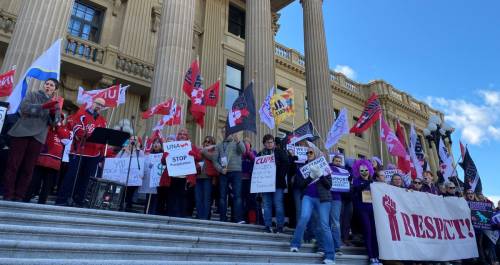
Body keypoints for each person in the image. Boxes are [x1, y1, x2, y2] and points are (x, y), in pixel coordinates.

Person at [3, 78, 60, 201]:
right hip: (22, 132)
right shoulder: (32, 95)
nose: (48, 86)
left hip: (38, 136)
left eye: (51, 85)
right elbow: (24, 108)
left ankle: (19, 195)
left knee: (28, 168)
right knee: (13, 164)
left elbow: (55, 123)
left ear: (55, 89)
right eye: (47, 84)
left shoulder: (56, 104)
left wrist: (53, 113)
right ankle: (8, 193)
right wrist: (43, 106)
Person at [55, 98, 107, 206]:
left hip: (94, 155)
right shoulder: (81, 114)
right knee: (71, 176)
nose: (99, 106)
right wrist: (91, 135)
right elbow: (78, 131)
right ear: (93, 103)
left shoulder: (103, 121)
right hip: (79, 152)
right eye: (98, 104)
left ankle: (79, 200)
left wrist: (101, 156)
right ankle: (62, 200)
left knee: (86, 180)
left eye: (101, 105)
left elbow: (103, 139)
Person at [290, 145, 335, 265]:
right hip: (308, 197)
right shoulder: (303, 168)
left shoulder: (324, 166)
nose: (308, 155)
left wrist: (320, 175)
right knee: (304, 217)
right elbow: (299, 185)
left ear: (315, 153)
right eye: (307, 153)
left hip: (323, 199)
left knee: (324, 225)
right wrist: (310, 177)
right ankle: (295, 244)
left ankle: (330, 255)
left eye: (310, 153)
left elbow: (329, 186)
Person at [24, 114, 70, 204]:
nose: (57, 119)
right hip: (41, 159)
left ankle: (42, 203)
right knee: (33, 181)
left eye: (59, 118)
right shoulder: (46, 126)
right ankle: (26, 199)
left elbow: (65, 140)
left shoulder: (64, 129)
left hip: (54, 162)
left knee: (47, 185)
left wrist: (58, 126)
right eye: (55, 117)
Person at [159, 128, 200, 217]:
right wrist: (165, 156)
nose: (182, 135)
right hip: (172, 176)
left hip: (185, 177)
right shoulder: (171, 146)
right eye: (180, 134)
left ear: (187, 136)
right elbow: (162, 162)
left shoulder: (192, 146)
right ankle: (171, 215)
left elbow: (199, 158)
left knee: (183, 197)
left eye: (184, 134)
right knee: (171, 196)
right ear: (178, 135)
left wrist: (194, 154)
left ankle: (181, 216)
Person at [212, 127, 245, 223]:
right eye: (223, 132)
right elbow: (214, 160)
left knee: (237, 196)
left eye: (227, 132)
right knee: (222, 196)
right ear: (222, 134)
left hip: (236, 172)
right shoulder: (218, 145)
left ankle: (237, 218)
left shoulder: (237, 142)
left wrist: (238, 140)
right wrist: (221, 170)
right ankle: (223, 218)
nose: (225, 133)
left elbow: (243, 151)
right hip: (224, 173)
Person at [258, 134, 290, 233]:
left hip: (278, 183)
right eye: (268, 142)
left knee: (278, 204)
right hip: (265, 183)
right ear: (264, 143)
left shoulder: (280, 152)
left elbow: (286, 164)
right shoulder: (260, 154)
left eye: (272, 142)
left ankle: (280, 226)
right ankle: (267, 225)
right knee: (267, 205)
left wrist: (279, 175)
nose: (270, 144)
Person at [352, 159, 380, 265]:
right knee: (367, 232)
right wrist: (368, 183)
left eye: (366, 170)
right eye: (361, 170)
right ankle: (371, 256)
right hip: (362, 210)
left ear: (369, 170)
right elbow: (356, 190)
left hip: (374, 210)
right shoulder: (356, 181)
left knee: (374, 233)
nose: (364, 172)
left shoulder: (374, 182)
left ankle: (376, 256)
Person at [196, 136, 219, 220]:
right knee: (198, 198)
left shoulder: (215, 150)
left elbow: (213, 158)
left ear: (212, 144)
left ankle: (205, 217)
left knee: (207, 198)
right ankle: (199, 216)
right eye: (205, 141)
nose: (206, 143)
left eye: (209, 142)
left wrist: (204, 151)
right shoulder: (200, 150)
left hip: (208, 177)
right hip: (198, 177)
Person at [330, 155, 345, 255]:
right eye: (336, 161)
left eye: (340, 161)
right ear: (333, 161)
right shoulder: (328, 168)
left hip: (337, 199)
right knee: (325, 222)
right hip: (325, 198)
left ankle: (337, 246)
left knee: (335, 222)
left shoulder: (345, 172)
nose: (338, 162)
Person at [241, 137, 257, 223]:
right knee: (241, 200)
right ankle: (242, 218)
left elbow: (255, 161)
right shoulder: (239, 153)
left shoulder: (254, 152)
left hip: (251, 181)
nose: (246, 144)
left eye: (247, 142)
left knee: (251, 201)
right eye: (244, 142)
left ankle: (252, 220)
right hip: (240, 180)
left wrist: (249, 152)